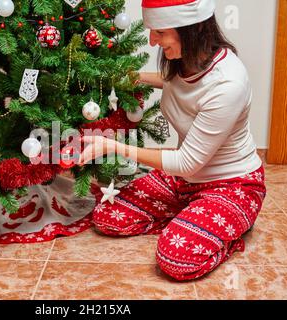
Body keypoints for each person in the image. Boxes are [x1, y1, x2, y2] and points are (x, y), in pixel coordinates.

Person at [77, 0, 266, 281]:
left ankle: (225, 229)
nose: (152, 41)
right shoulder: (186, 62)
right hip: (185, 182)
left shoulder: (229, 84)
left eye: (160, 32)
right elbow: (173, 82)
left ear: (193, 29)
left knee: (175, 258)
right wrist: (130, 78)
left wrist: (112, 146)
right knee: (108, 215)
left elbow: (187, 162)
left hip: (231, 184)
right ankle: (193, 216)